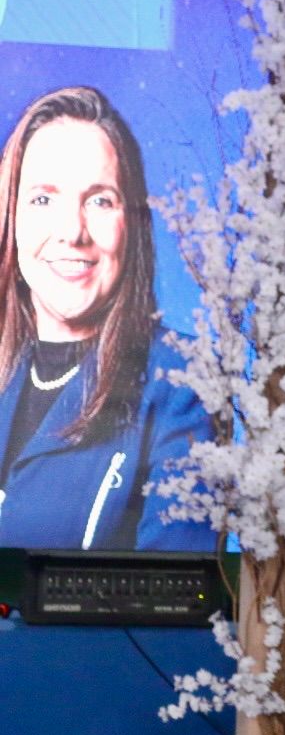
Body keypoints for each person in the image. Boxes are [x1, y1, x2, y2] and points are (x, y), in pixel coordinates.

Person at [0, 85, 213, 551]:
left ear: (132, 223)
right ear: (11, 218)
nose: (72, 231)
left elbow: (175, 587)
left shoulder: (180, 384)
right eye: (42, 199)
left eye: (99, 200)